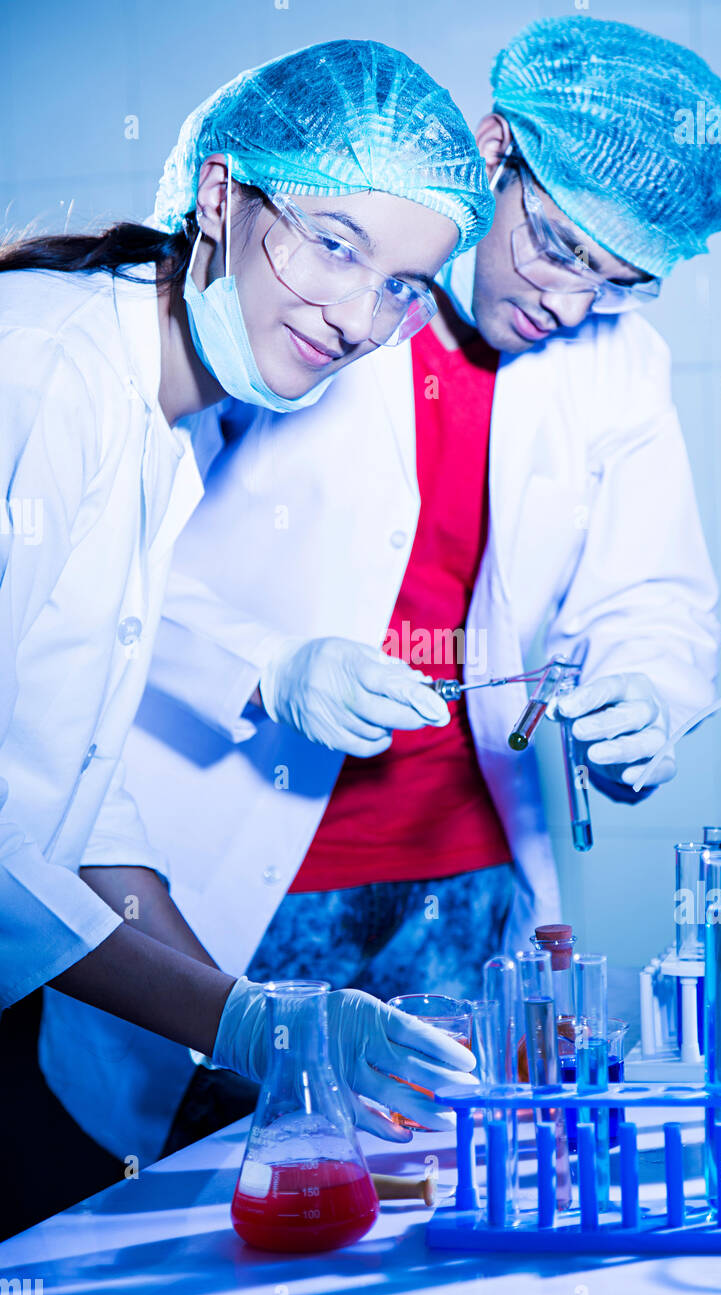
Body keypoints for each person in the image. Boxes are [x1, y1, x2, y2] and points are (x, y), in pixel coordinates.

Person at [37, 16, 721, 1164]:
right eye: (560, 248)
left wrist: (647, 698)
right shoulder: (291, 308)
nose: (572, 304)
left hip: (465, 881)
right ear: (491, 149)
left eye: (616, 283)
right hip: (230, 861)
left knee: (447, 1217)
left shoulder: (619, 365)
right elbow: (107, 582)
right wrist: (263, 669)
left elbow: (654, 593)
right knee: (213, 1197)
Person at [0, 40, 494, 1151]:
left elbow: (72, 797)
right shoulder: (36, 370)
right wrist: (239, 1020)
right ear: (219, 193)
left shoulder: (159, 431)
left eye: (402, 288)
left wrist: (233, 1044)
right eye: (333, 245)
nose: (360, 319)